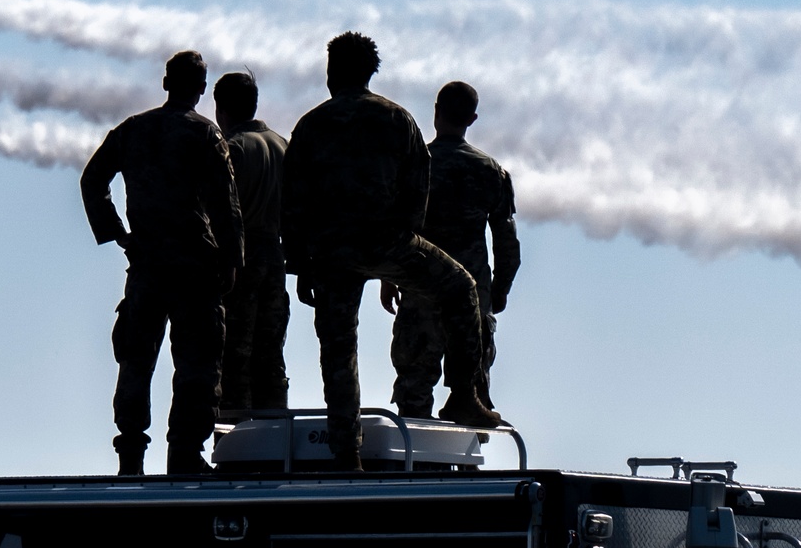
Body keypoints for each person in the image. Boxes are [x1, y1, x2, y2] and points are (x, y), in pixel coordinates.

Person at [282, 33, 499, 469]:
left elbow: (292, 200)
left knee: (338, 350)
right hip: (387, 242)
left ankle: (347, 453)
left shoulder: (311, 125)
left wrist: (302, 263)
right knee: (461, 288)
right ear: (369, 73)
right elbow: (418, 185)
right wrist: (403, 246)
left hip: (329, 253)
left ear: (332, 72)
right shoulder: (397, 119)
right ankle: (463, 394)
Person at [81, 50, 243, 476]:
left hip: (147, 266)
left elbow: (92, 179)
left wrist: (118, 234)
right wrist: (232, 260)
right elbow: (226, 208)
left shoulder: (134, 130)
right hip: (195, 269)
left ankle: (130, 455)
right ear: (202, 90)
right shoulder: (206, 135)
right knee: (197, 362)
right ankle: (185, 453)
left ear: (166, 82)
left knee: (136, 361)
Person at [380, 81, 520, 417]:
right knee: (471, 397)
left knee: (413, 391)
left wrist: (389, 278)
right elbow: (507, 244)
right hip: (473, 301)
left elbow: (396, 227)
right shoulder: (491, 172)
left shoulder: (415, 164)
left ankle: (414, 466)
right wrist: (497, 292)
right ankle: (465, 466)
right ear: (472, 119)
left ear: (436, 112)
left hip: (420, 290)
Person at [212, 71, 291, 413]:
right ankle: (274, 436)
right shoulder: (282, 145)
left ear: (221, 109)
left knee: (234, 356)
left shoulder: (232, 149)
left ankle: (235, 443)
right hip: (275, 258)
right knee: (271, 353)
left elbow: (217, 210)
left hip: (239, 260)